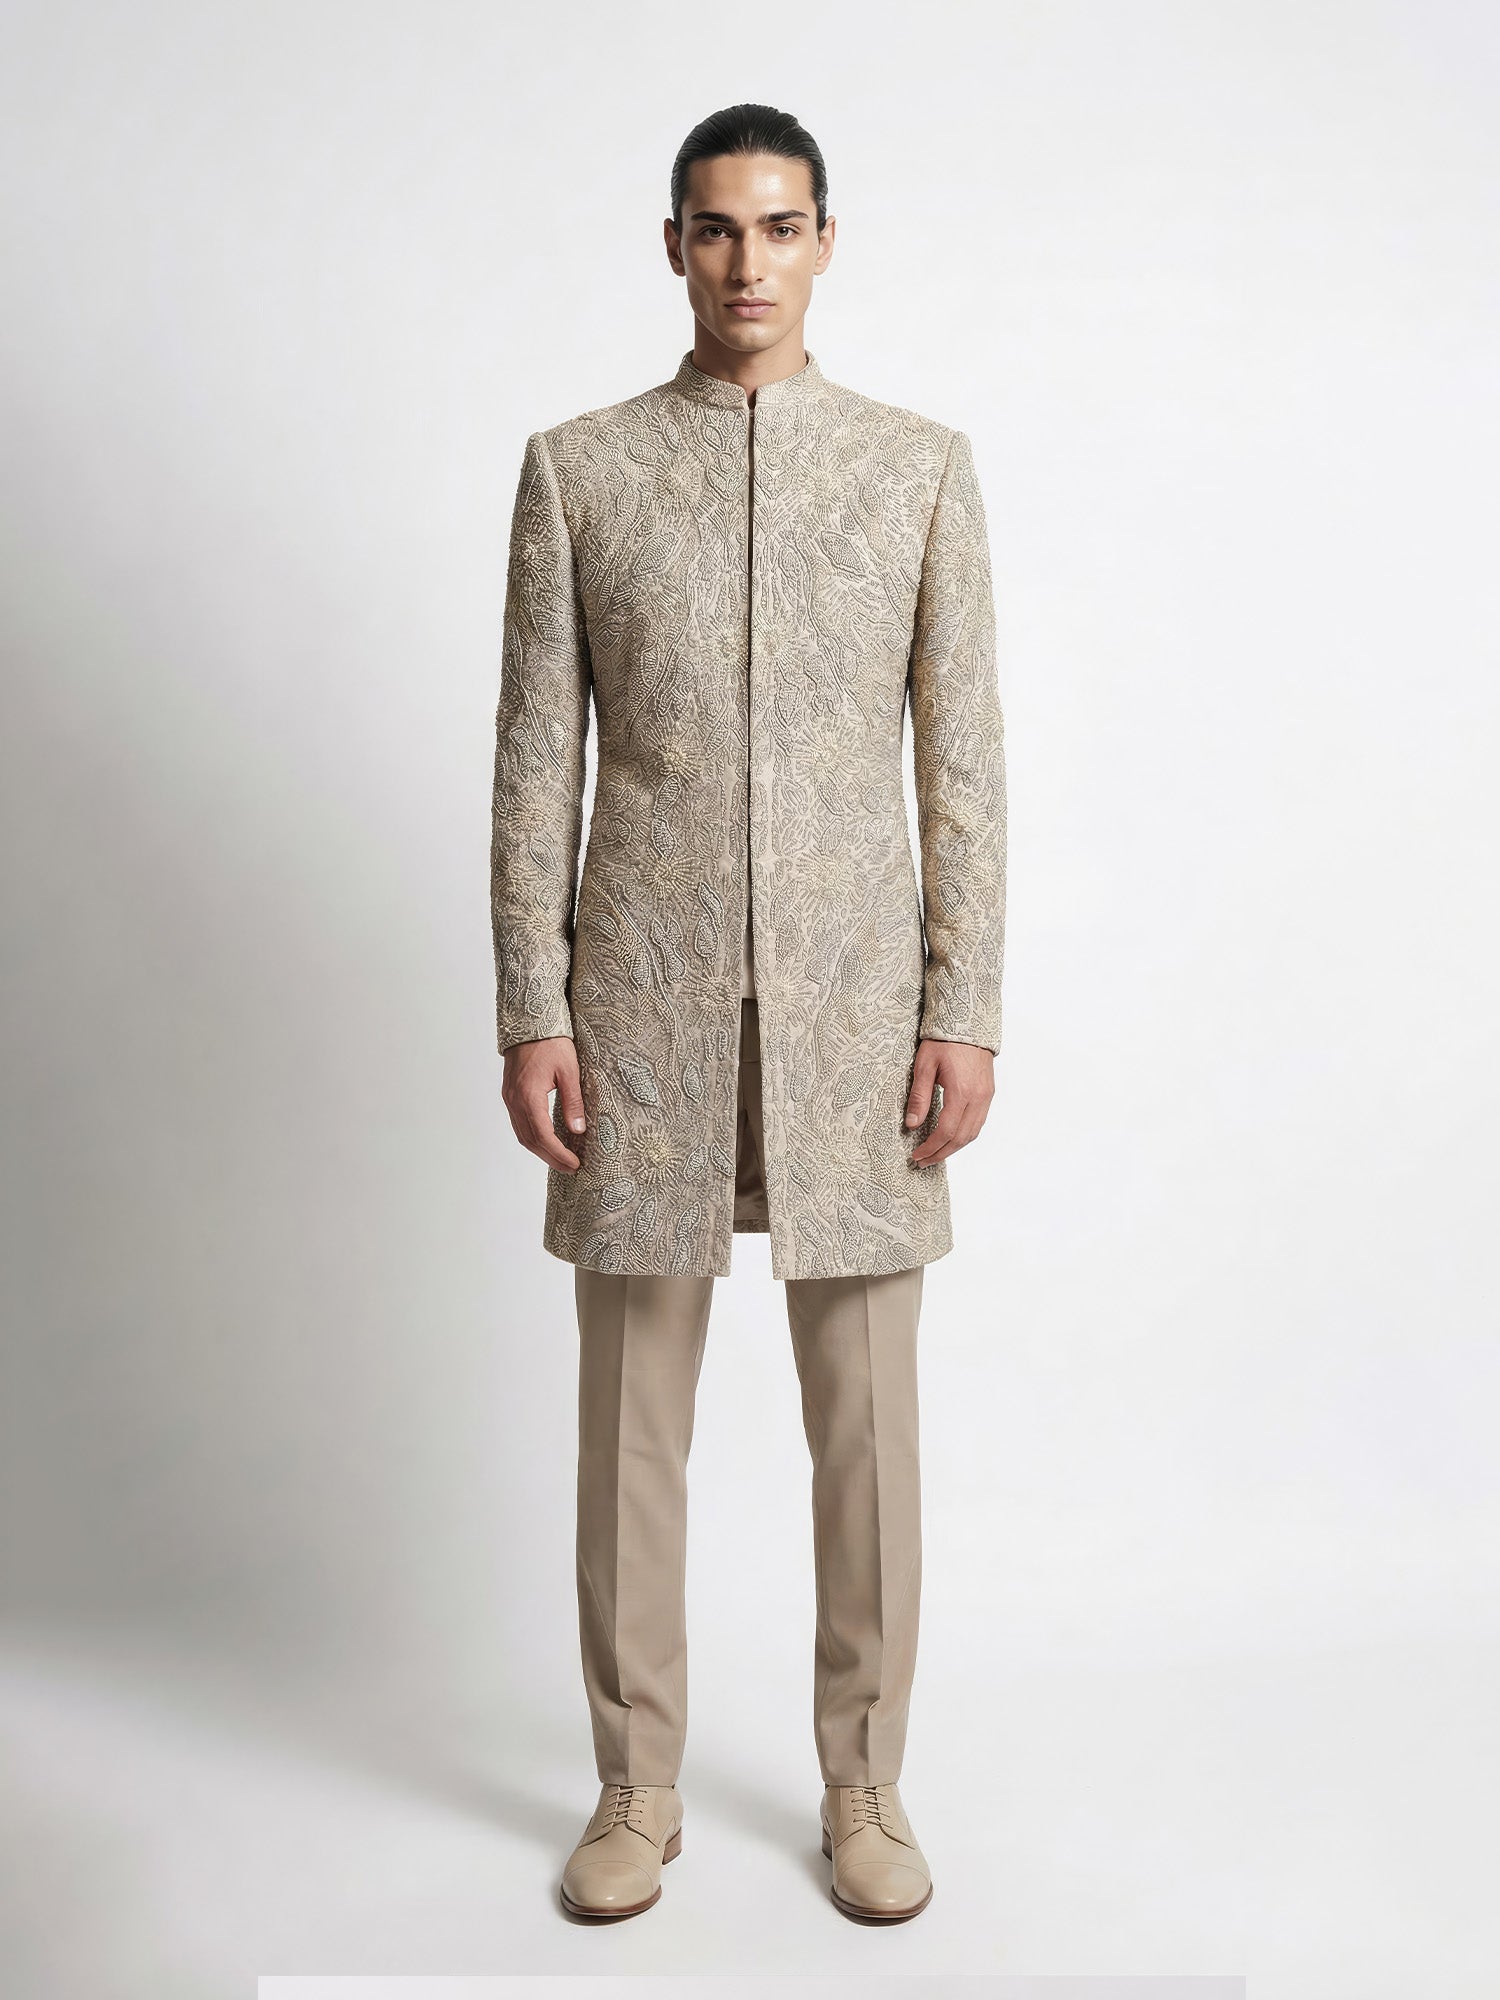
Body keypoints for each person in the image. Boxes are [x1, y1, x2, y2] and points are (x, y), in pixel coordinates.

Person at [491, 101, 1007, 1924]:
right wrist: (532, 1007)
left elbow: (964, 769)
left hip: (860, 1015)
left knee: (865, 1429)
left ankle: (865, 1787)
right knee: (633, 1425)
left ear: (826, 241)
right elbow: (533, 765)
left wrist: (967, 1005)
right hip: (639, 1012)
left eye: (780, 228)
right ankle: (636, 1788)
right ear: (673, 246)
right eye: (716, 229)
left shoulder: (918, 469)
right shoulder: (580, 471)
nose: (747, 264)